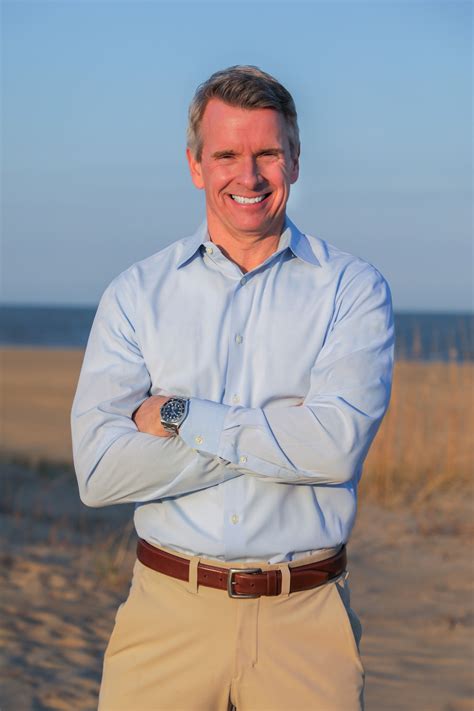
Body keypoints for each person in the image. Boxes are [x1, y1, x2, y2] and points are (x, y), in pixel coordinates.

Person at [71, 65, 394, 711]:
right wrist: (282, 434)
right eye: (226, 155)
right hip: (165, 618)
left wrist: (181, 414)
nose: (249, 176)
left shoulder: (353, 290)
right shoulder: (136, 294)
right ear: (196, 165)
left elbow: (334, 451)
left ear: (295, 160)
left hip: (307, 624)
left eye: (267, 153)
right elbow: (100, 474)